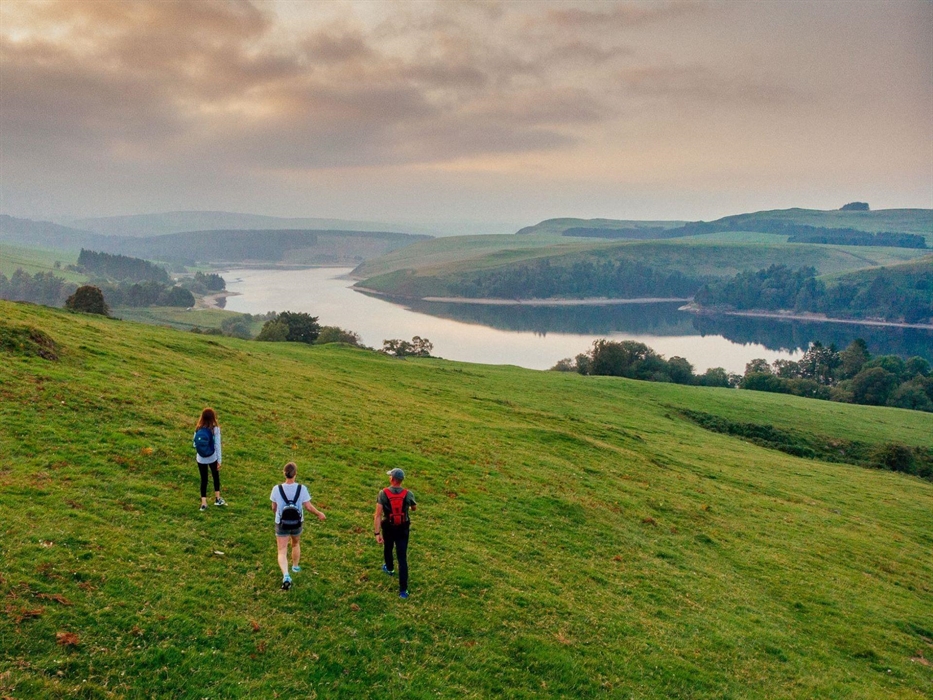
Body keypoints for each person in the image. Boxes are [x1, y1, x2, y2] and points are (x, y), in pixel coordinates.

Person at [270, 461, 326, 590]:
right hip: (297, 523)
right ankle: (295, 566)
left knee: (282, 551)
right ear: (295, 474)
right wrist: (319, 514)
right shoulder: (302, 489)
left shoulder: (276, 489)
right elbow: (308, 506)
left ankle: (286, 575)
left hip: (281, 523)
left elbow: (274, 507)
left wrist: (278, 514)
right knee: (295, 543)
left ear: (284, 473)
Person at [374, 468, 417, 599]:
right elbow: (414, 508)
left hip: (388, 526)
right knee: (402, 557)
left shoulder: (383, 493)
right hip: (403, 527)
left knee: (388, 547)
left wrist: (377, 533)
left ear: (392, 479)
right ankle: (403, 591)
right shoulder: (408, 493)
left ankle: (390, 568)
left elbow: (377, 515)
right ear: (401, 480)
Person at [193, 407, 225, 512]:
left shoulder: (198, 428)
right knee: (215, 477)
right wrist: (219, 460)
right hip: (212, 457)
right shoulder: (215, 429)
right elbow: (217, 445)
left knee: (204, 480)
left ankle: (203, 503)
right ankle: (217, 498)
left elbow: (194, 443)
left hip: (200, 458)